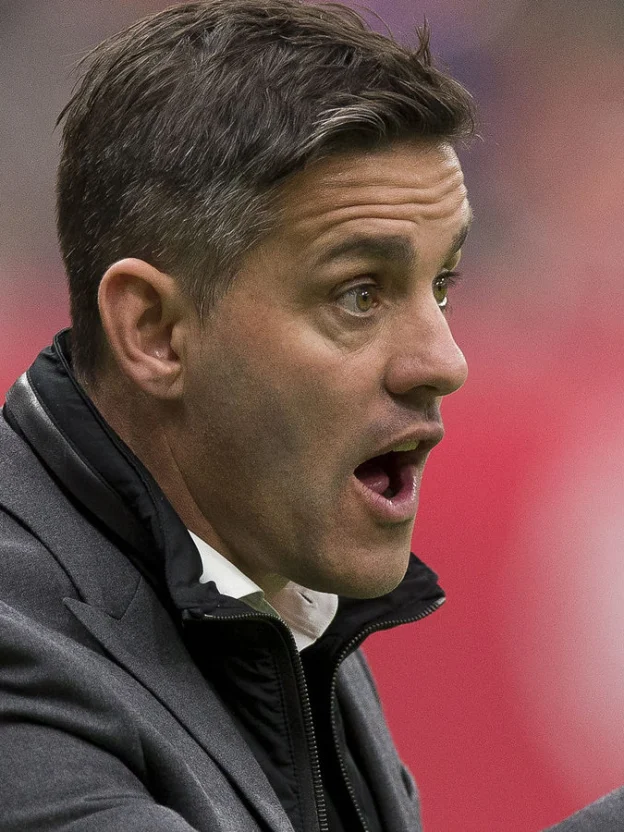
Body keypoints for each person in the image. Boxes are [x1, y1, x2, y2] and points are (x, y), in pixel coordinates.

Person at [0, 1, 619, 831]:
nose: (445, 362)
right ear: (154, 330)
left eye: (441, 286)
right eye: (359, 294)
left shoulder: (269, 581)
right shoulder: (18, 641)